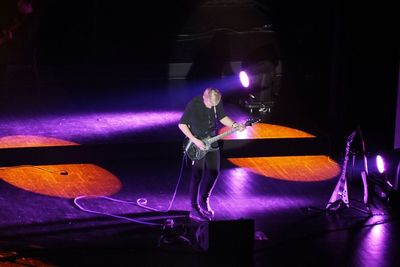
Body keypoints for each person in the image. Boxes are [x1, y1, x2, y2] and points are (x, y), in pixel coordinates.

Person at [178, 87, 244, 221]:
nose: (212, 107)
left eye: (215, 105)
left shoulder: (216, 101)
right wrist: (195, 141)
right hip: (197, 144)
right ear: (204, 97)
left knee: (214, 172)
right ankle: (194, 208)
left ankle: (204, 199)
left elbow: (222, 117)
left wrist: (234, 124)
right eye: (210, 104)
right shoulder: (194, 104)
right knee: (197, 175)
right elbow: (182, 125)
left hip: (212, 141)